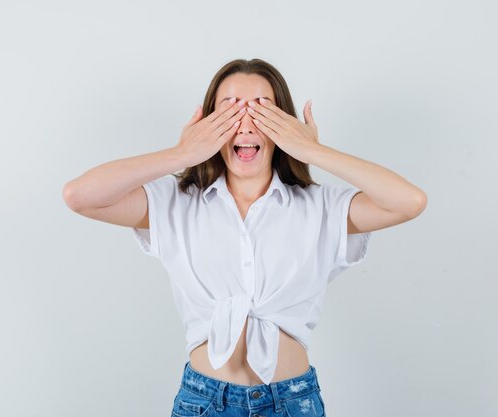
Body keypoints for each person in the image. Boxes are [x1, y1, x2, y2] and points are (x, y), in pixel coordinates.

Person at [62, 58, 427, 417]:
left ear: (283, 124)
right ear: (209, 123)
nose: (246, 123)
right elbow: (80, 196)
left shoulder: (321, 208)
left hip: (292, 402)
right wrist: (182, 154)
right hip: (204, 402)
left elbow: (410, 202)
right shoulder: (174, 203)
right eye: (230, 110)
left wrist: (313, 151)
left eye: (263, 110)